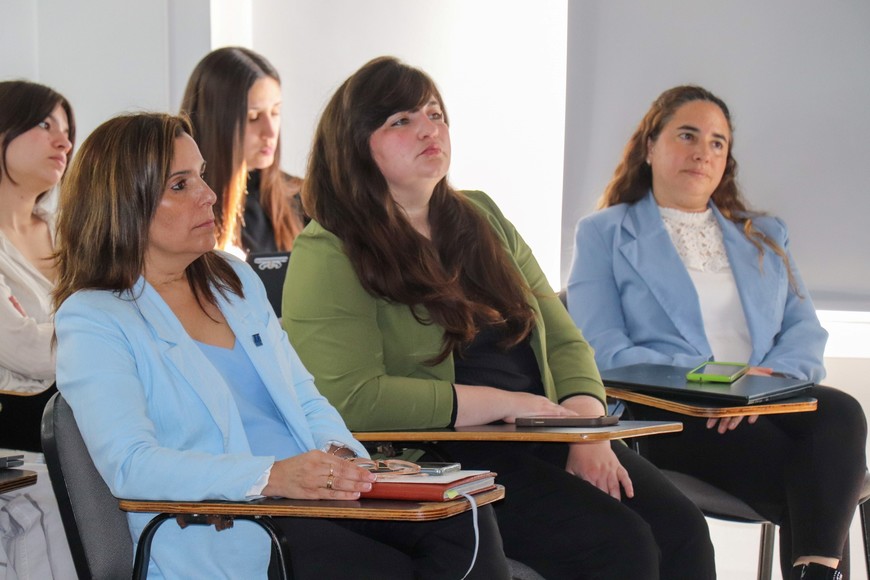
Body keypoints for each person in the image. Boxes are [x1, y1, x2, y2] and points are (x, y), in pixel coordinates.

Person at [282, 56, 715, 580]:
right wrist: (507, 404)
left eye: (435, 114)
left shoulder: (480, 214)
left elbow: (562, 337)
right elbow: (350, 399)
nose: (428, 129)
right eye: (401, 120)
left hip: (545, 430)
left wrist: (587, 429)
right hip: (443, 452)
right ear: (353, 144)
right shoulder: (329, 248)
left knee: (683, 531)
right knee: (618, 545)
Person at [52, 112, 509, 580]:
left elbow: (305, 397)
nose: (209, 194)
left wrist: (342, 457)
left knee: (465, 517)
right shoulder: (94, 319)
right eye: (180, 185)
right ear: (123, 204)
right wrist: (272, 476)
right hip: (233, 522)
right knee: (385, 566)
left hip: (313, 499)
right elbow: (132, 464)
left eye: (202, 176)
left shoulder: (234, 282)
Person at [567, 85, 867, 580]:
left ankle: (813, 573)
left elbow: (804, 332)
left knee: (841, 410)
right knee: (811, 471)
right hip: (674, 411)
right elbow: (603, 350)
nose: (702, 152)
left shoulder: (764, 233)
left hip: (767, 400)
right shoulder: (604, 232)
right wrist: (717, 385)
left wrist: (760, 387)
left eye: (717, 143)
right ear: (649, 146)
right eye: (688, 135)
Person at [0, 79, 76, 579]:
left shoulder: (66, 230)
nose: (64, 142)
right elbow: (27, 352)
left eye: (68, 131)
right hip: (20, 448)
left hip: (81, 436)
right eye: (45, 125)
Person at [180, 46, 306, 255]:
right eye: (253, 117)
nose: (270, 131)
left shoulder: (301, 198)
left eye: (275, 112)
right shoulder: (182, 206)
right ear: (215, 122)